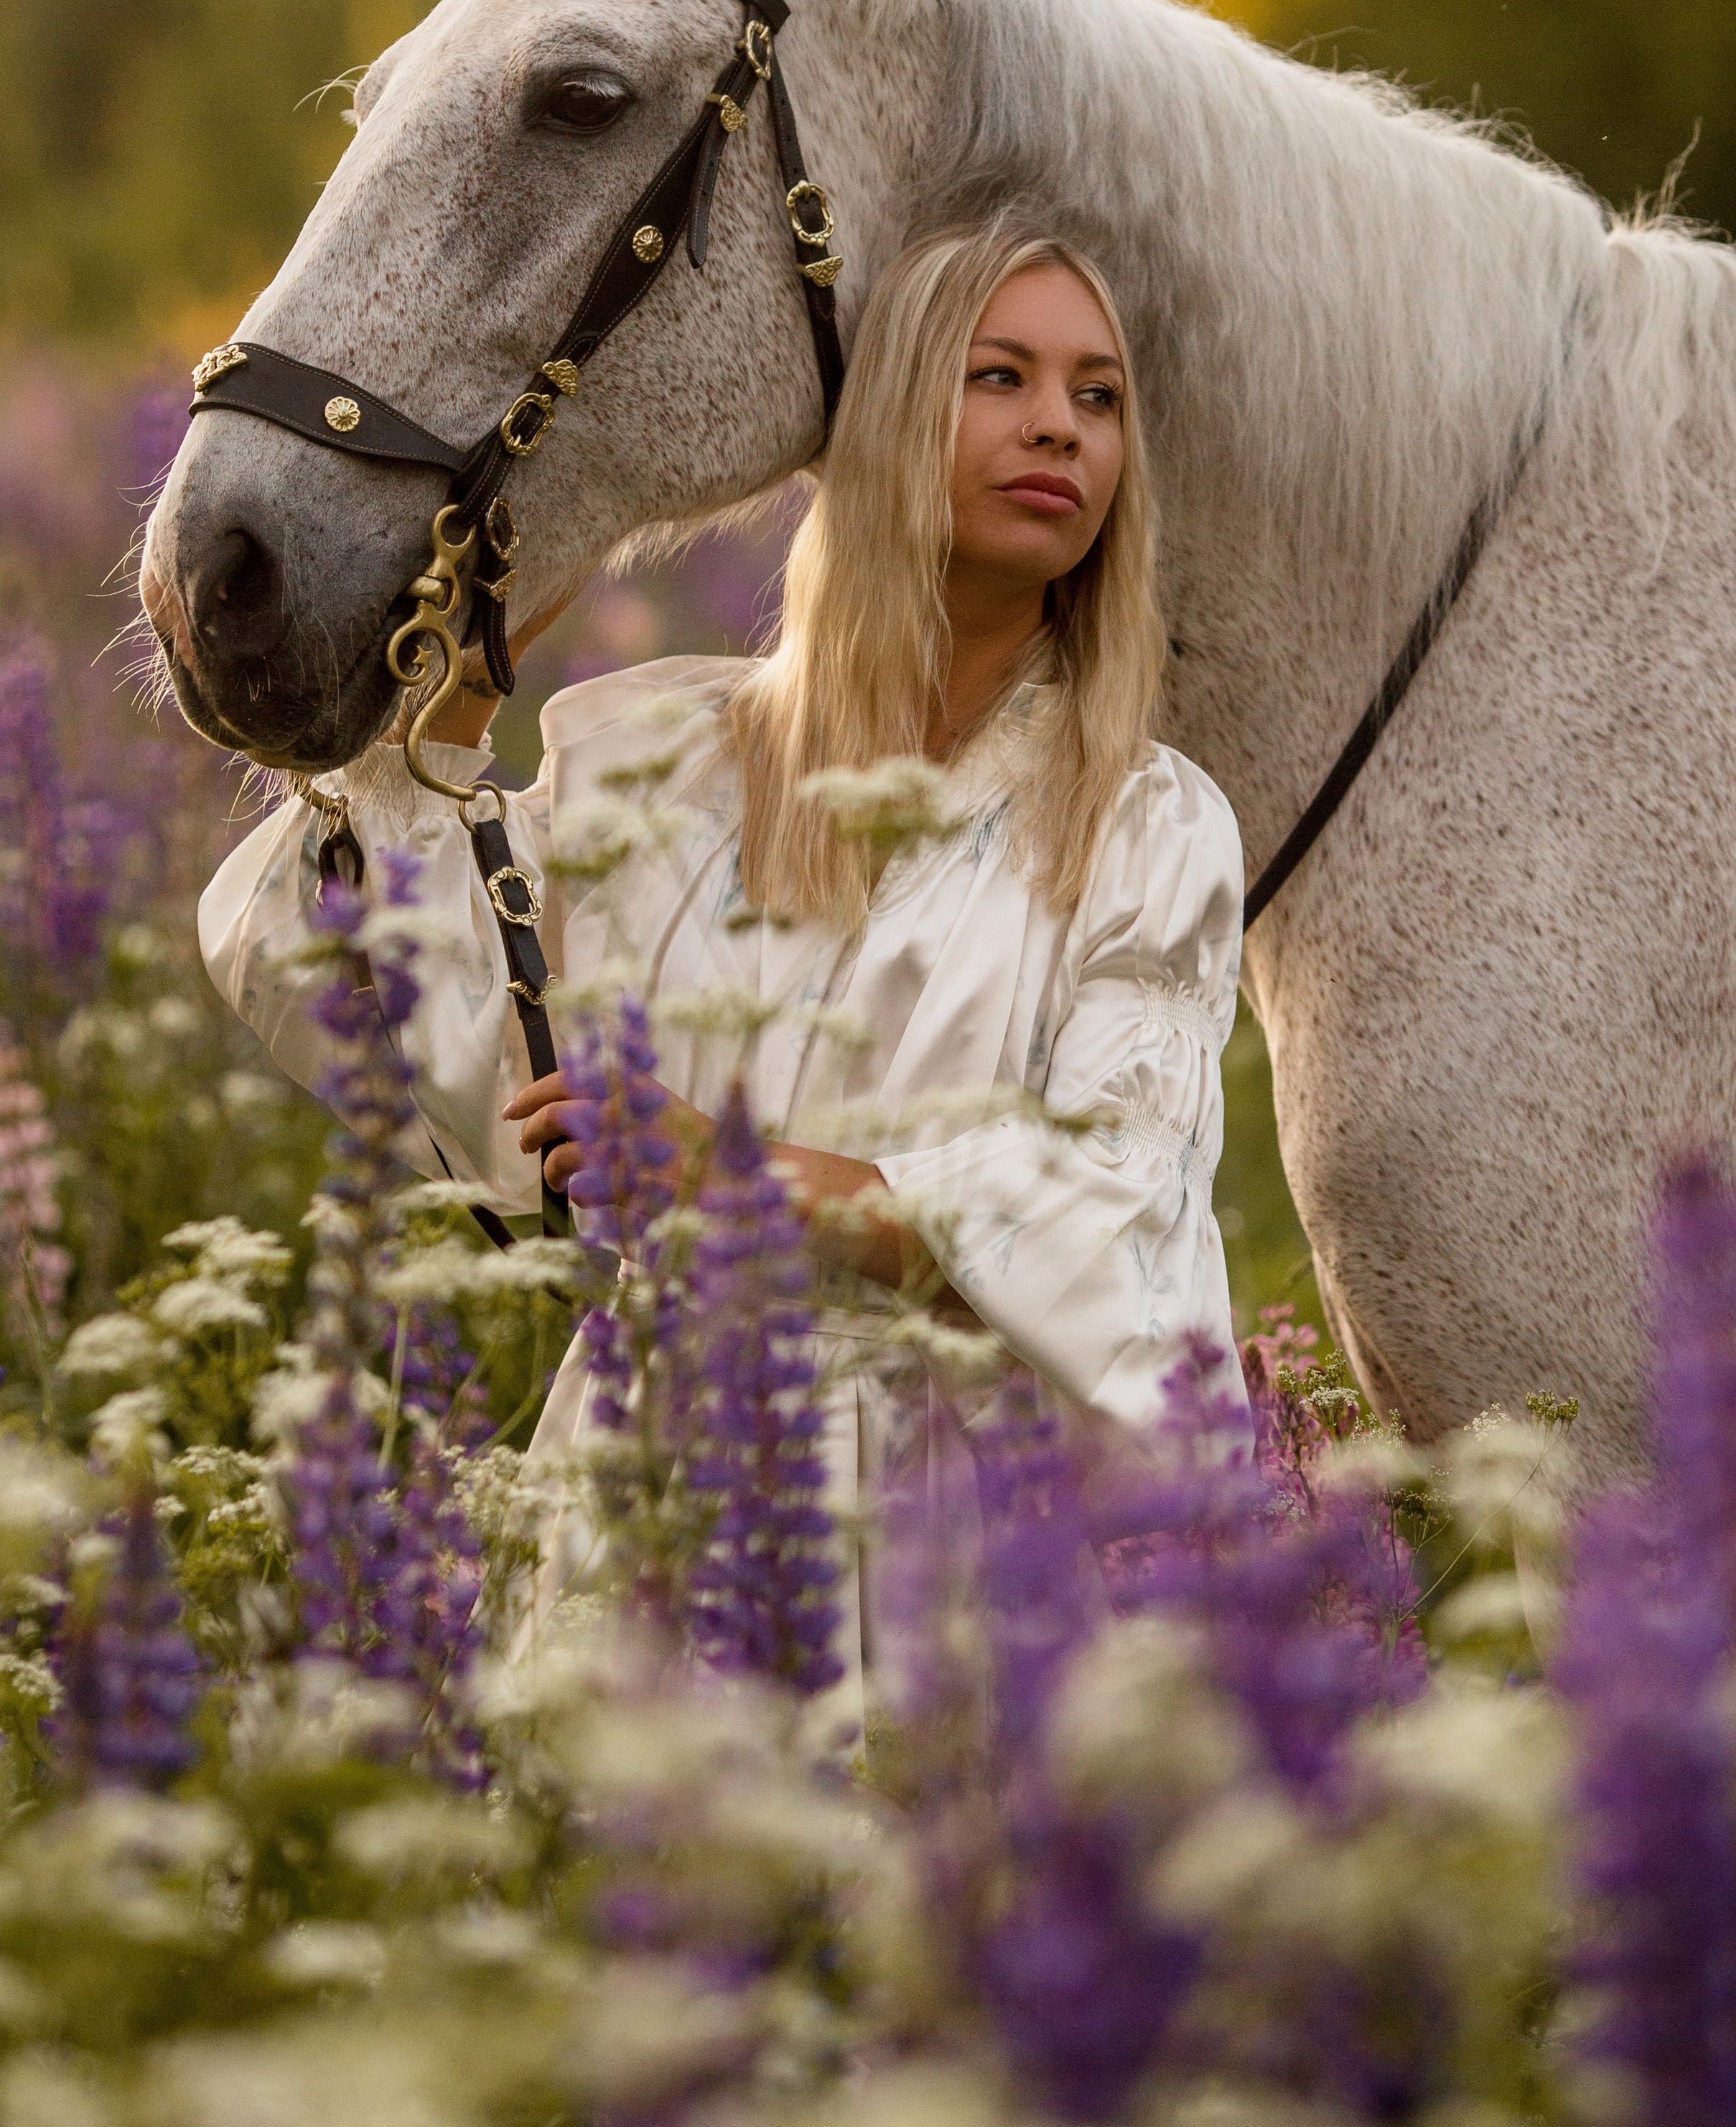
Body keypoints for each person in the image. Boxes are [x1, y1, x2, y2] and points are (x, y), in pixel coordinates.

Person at [199, 218, 1248, 1691]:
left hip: (954, 1528)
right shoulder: (671, 758)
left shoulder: (1142, 819)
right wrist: (465, 680)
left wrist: (736, 1176)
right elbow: (389, 985)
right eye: (999, 377)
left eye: (1097, 396)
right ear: (885, 427)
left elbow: (1117, 1192)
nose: (1056, 429)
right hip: (655, 1483)